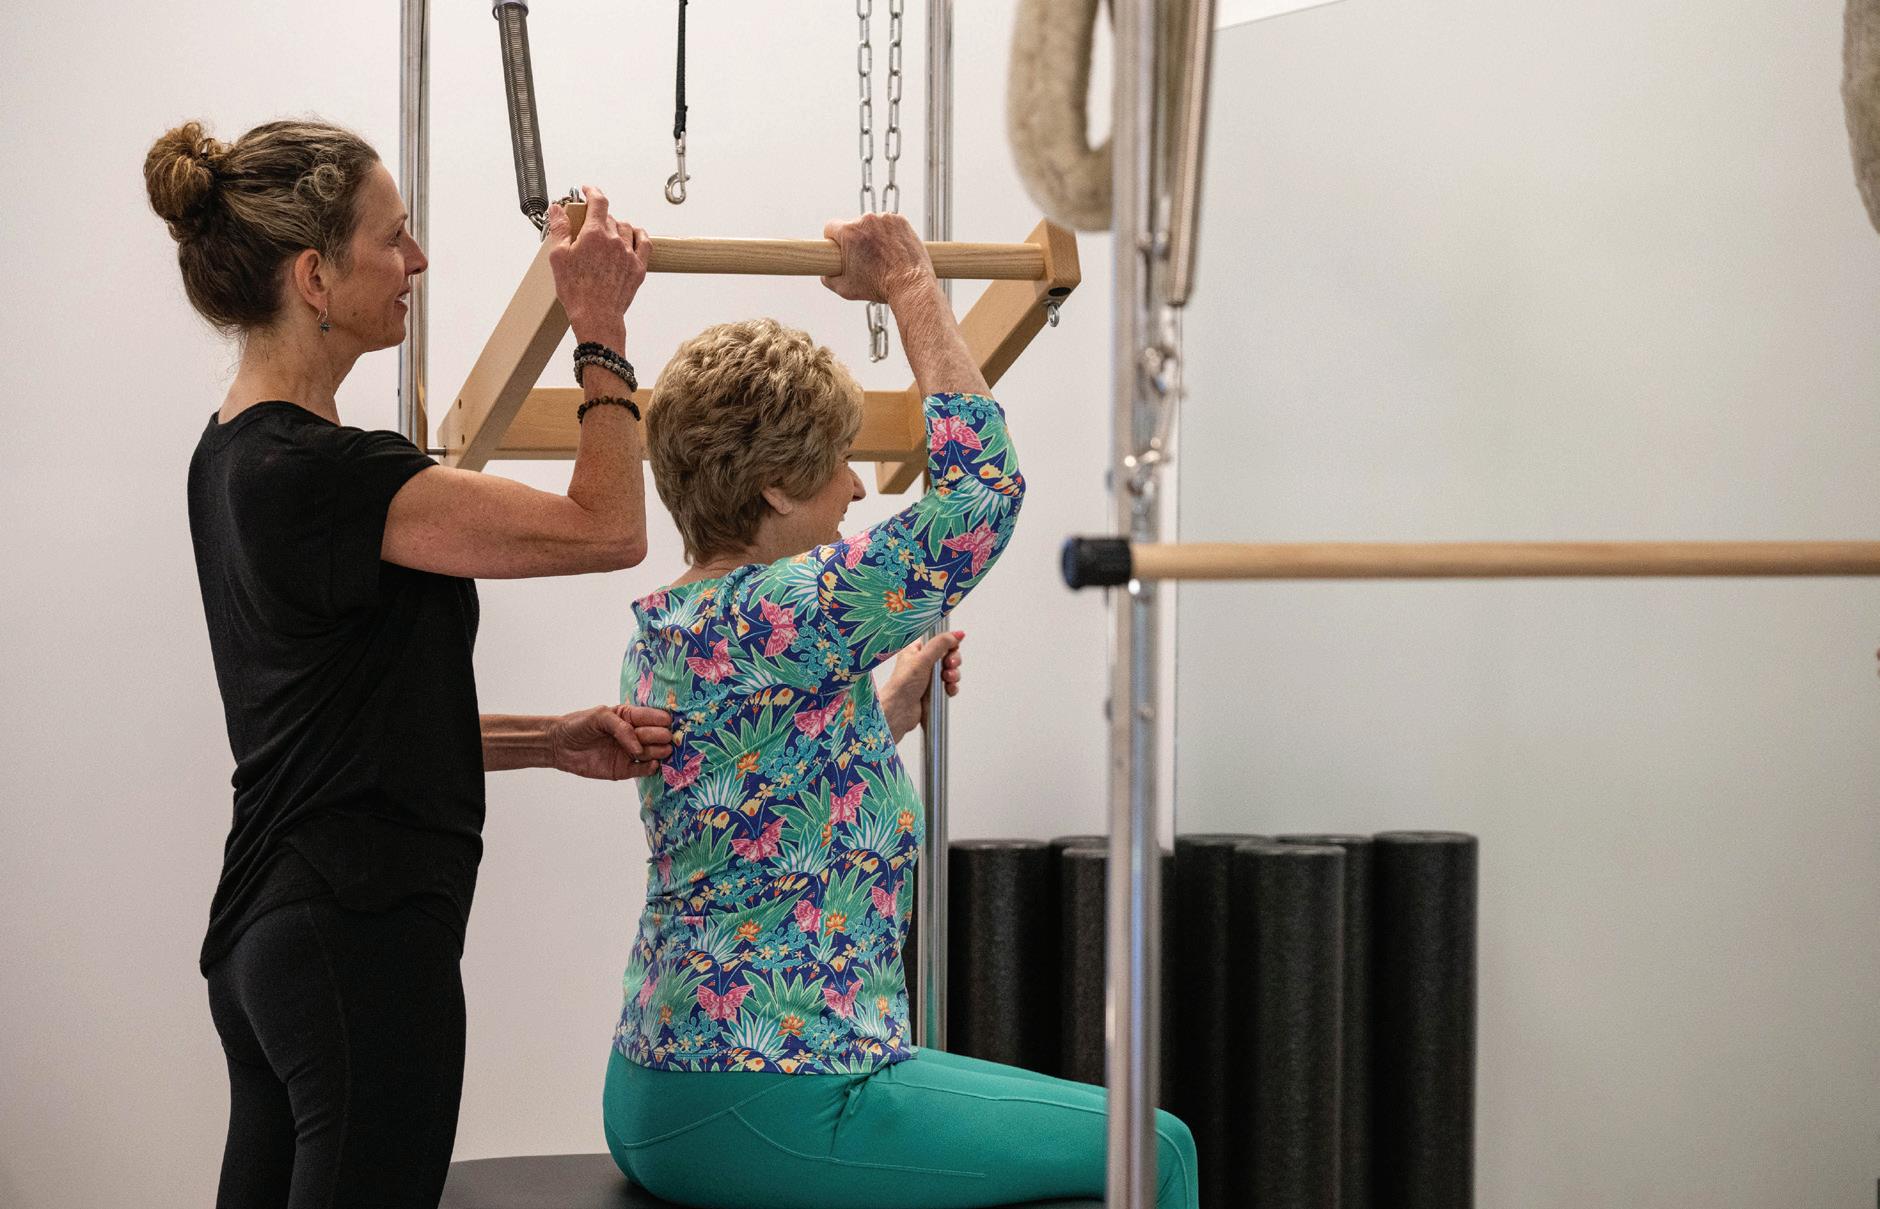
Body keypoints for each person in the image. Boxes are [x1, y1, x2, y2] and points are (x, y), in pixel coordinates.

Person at [602, 212, 1198, 1209]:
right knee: (1159, 1149)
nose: (853, 487)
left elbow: (751, 801)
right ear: (775, 486)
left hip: (663, 1088)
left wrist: (877, 715)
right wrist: (911, 284)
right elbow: (978, 501)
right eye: (837, 461)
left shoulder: (678, 625)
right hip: (774, 1088)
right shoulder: (784, 608)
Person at [145, 118, 673, 1209]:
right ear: (314, 277)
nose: (417, 261)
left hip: (272, 942)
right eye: (393, 238)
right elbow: (609, 525)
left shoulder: (228, 460)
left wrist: (547, 739)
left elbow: (341, 724)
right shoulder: (328, 474)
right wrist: (601, 329)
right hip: (358, 936)